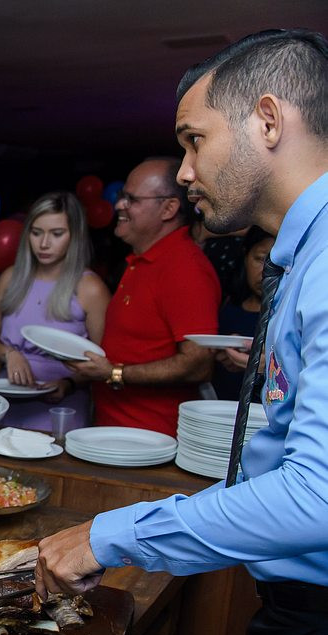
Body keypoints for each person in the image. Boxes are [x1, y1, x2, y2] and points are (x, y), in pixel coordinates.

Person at [36, 29, 328, 635]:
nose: (187, 171)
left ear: (268, 120)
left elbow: (318, 494)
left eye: (195, 141)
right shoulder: (303, 255)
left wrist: (109, 535)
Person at [66, 157, 220, 436]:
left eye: (132, 199)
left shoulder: (184, 267)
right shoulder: (143, 259)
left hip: (153, 440)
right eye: (121, 196)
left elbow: (197, 364)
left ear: (169, 208)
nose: (119, 205)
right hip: (119, 433)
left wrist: (114, 373)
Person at [0, 191, 110, 430]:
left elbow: (103, 364)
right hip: (6, 401)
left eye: (57, 234)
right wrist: (9, 354)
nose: (44, 243)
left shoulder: (91, 288)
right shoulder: (10, 278)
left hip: (61, 408)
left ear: (75, 236)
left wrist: (69, 383)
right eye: (36, 232)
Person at [212, 227, 274, 401]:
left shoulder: (289, 317)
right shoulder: (227, 306)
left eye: (277, 263)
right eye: (260, 259)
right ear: (246, 257)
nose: (267, 271)